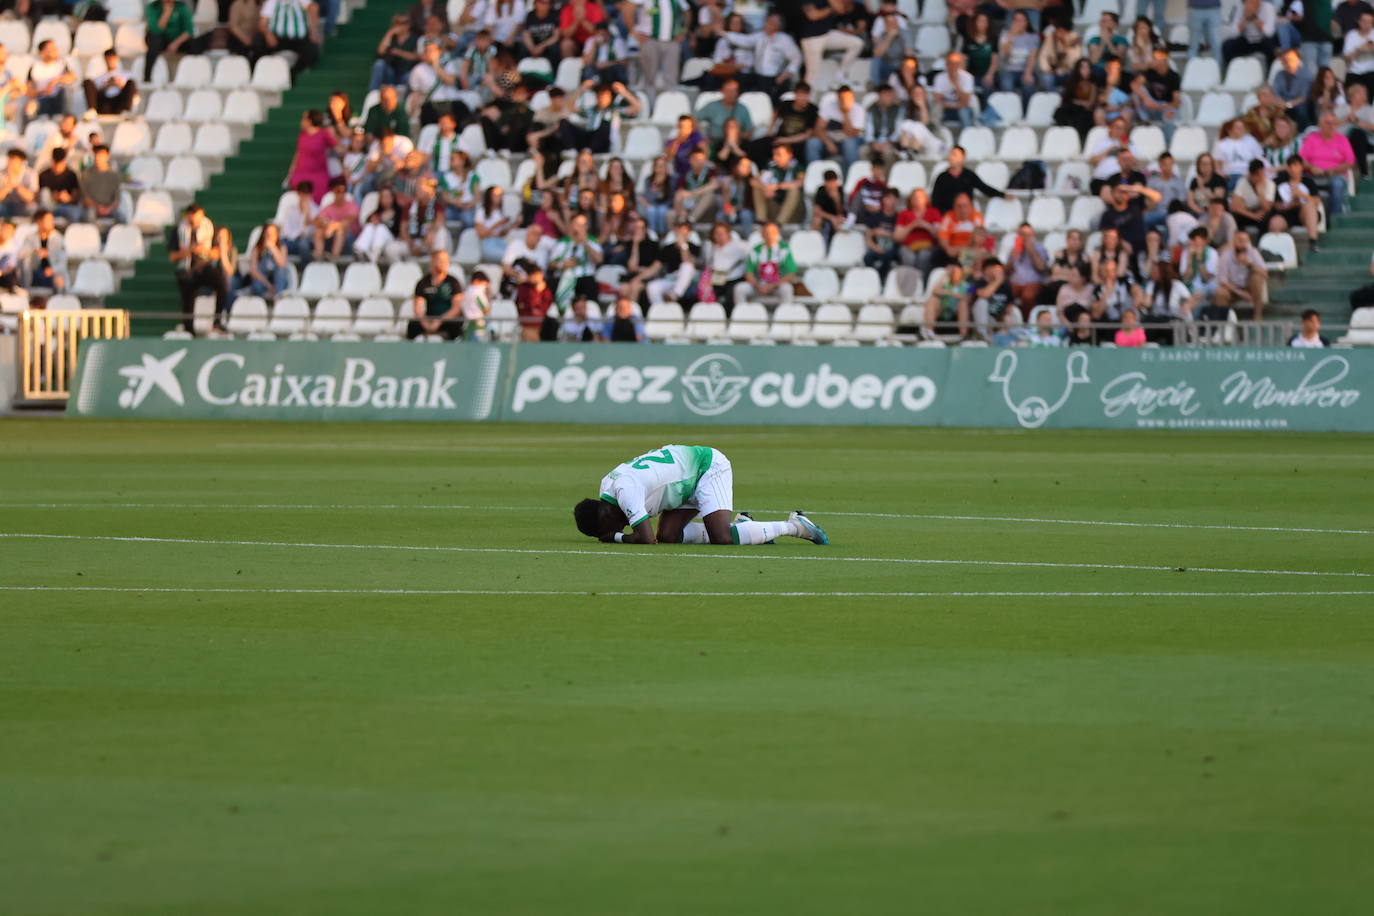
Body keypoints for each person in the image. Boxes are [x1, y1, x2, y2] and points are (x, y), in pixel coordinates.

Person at [573, 444, 829, 546]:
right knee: (668, 537)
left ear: (605, 516)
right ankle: (744, 526)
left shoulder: (624, 492)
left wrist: (615, 538)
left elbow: (646, 540)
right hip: (682, 482)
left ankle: (795, 526)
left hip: (706, 468)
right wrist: (614, 533)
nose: (618, 528)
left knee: (722, 538)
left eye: (607, 529)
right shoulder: (608, 486)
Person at [171, 204, 227, 334]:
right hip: (187, 268)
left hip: (204, 266)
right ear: (187, 216)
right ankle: (189, 329)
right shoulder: (179, 231)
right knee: (187, 291)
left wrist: (204, 251)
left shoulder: (209, 228)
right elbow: (173, 256)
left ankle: (217, 321)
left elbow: (216, 253)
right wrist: (190, 250)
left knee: (221, 283)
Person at [798, 0, 864, 92]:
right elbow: (813, 15)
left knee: (856, 43)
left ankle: (840, 75)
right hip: (811, 38)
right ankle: (806, 98)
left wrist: (830, 7)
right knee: (812, 74)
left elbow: (841, 10)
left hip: (826, 34)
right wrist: (830, 10)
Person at [1300, 111, 1357, 214]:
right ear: (1320, 125)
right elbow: (1301, 160)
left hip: (1334, 175)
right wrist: (1311, 167)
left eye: (1334, 123)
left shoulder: (1342, 140)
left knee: (1337, 183)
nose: (1331, 126)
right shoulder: (1311, 139)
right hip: (1313, 176)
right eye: (1328, 123)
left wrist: (1334, 170)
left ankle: (1334, 218)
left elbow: (1350, 162)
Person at [633, 0, 689, 100]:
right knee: (650, 76)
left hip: (671, 40)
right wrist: (633, 31)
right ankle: (650, 104)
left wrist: (684, 30)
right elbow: (628, 8)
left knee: (671, 76)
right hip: (650, 39)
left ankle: (669, 102)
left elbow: (687, 11)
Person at [407, 249, 464, 339]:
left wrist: (440, 321)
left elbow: (456, 308)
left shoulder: (453, 282)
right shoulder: (423, 283)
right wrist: (426, 324)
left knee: (456, 325)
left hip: (447, 319)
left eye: (446, 260)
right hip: (430, 318)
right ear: (432, 261)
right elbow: (418, 308)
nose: (444, 263)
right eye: (440, 260)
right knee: (413, 325)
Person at [930, 145, 1004, 213]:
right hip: (947, 215)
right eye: (950, 154)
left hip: (966, 215)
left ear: (962, 158)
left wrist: (1003, 195)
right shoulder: (942, 177)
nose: (951, 157)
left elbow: (984, 188)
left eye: (954, 155)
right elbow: (935, 199)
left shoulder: (969, 175)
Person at [1214, 230, 1269, 318]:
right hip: (1233, 289)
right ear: (1234, 241)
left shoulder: (1253, 252)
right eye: (1240, 240)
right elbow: (1222, 281)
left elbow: (1264, 274)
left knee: (1257, 277)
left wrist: (1249, 265)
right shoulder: (1226, 255)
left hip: (1250, 288)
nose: (1242, 244)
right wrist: (1240, 293)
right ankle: (1224, 320)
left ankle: (1257, 315)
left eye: (1245, 241)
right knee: (1220, 293)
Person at [143, 0, 200, 83]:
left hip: (177, 40)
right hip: (159, 40)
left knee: (195, 44)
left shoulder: (181, 7)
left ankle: (193, 78)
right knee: (155, 41)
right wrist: (167, 13)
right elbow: (156, 30)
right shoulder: (153, 7)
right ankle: (147, 77)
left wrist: (176, 43)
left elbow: (189, 31)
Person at [260, 0, 320, 76]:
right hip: (278, 39)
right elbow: (262, 23)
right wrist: (268, 34)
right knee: (260, 43)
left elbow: (314, 7)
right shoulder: (272, 2)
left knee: (312, 49)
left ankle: (295, 71)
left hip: (300, 40)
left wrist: (313, 31)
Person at [752, 143, 802, 225]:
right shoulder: (771, 166)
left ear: (790, 155)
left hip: (794, 212)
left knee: (794, 190)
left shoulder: (797, 167)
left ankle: (779, 224)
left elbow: (800, 182)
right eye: (774, 154)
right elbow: (753, 181)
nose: (775, 157)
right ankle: (761, 220)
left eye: (779, 154)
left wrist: (778, 186)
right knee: (758, 188)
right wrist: (765, 188)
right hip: (775, 207)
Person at [26, 39, 77, 118]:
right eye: (51, 49)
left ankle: (62, 117)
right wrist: (44, 91)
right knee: (31, 106)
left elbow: (72, 77)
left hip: (58, 99)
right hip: (42, 99)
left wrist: (55, 81)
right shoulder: (34, 68)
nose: (55, 51)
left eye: (55, 48)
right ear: (42, 52)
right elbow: (29, 92)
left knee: (65, 92)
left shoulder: (61, 64)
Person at [238, 222, 290, 300]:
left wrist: (273, 248)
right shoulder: (257, 249)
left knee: (280, 272)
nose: (270, 236)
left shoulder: (282, 247)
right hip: (264, 282)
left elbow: (282, 265)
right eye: (268, 234)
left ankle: (277, 300)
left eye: (273, 234)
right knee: (256, 286)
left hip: (278, 281)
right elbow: (254, 272)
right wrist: (269, 286)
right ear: (263, 235)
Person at [1222, 0, 1278, 69]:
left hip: (1262, 40)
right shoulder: (1241, 7)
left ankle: (1270, 71)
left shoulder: (1268, 8)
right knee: (1227, 45)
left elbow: (1269, 33)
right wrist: (1245, 18)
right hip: (1246, 40)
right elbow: (1234, 32)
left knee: (1270, 45)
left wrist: (1254, 17)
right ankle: (1233, 69)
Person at [922, 261, 972, 337]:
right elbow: (934, 291)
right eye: (953, 272)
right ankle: (929, 331)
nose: (955, 274)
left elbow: (968, 298)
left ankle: (963, 334)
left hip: (956, 310)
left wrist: (952, 294)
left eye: (956, 271)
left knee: (963, 303)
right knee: (932, 300)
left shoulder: (967, 285)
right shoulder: (945, 284)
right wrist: (945, 274)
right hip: (943, 308)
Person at [83, 49, 136, 117]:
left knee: (131, 82)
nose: (110, 61)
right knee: (87, 81)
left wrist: (119, 84)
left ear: (117, 58)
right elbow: (94, 93)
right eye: (108, 59)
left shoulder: (126, 75)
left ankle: (127, 111)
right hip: (104, 105)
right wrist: (107, 85)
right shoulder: (99, 77)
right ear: (105, 60)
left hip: (119, 104)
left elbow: (133, 92)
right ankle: (92, 110)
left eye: (112, 58)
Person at [37, 148, 81, 226]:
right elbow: (41, 195)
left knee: (75, 212)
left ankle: (71, 231)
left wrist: (68, 198)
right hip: (48, 206)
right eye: (56, 162)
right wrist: (53, 196)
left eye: (60, 162)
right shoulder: (44, 175)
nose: (58, 165)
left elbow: (75, 196)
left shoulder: (71, 175)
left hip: (66, 206)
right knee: (44, 194)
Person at [931, 52, 976, 128]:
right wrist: (949, 106)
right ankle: (935, 132)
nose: (953, 66)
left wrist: (956, 83)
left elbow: (965, 102)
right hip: (946, 109)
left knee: (963, 112)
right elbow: (937, 100)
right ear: (946, 64)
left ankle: (967, 133)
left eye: (956, 63)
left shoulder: (967, 77)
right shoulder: (939, 77)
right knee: (936, 109)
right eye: (951, 63)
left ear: (960, 64)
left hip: (961, 109)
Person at [81, 145, 123, 224]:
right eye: (96, 155)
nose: (98, 158)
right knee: (89, 216)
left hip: (109, 208)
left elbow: (117, 199)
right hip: (92, 208)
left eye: (101, 155)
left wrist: (108, 209)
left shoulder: (114, 175)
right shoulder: (86, 174)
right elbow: (85, 198)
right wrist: (97, 207)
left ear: (107, 156)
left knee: (122, 219)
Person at [0, 149, 36, 220]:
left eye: (13, 159)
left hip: (24, 205)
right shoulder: (2, 173)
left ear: (21, 162)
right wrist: (8, 186)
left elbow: (30, 197)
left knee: (32, 209)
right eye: (9, 159)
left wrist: (17, 185)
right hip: (6, 205)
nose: (9, 162)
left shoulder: (30, 173)